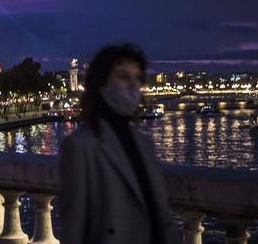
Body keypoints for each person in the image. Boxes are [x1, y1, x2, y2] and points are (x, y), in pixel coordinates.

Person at [58, 44, 182, 244]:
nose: (134, 85)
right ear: (102, 84)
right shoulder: (80, 147)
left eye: (138, 77)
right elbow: (74, 229)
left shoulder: (145, 143)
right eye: (124, 76)